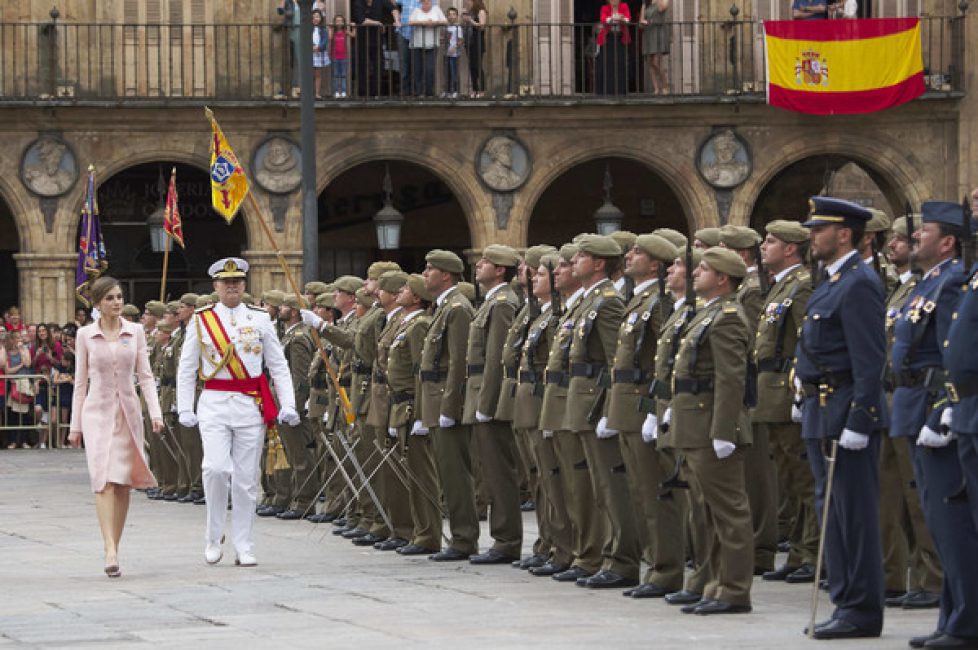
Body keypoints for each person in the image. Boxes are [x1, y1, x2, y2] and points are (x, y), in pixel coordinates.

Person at [795, 196, 886, 639]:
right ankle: (845, 599)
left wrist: (861, 419)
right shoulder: (831, 281)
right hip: (821, 409)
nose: (812, 236)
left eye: (819, 229)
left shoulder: (859, 283)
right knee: (831, 512)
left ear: (844, 234)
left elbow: (870, 360)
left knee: (853, 514)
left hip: (845, 409)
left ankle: (862, 608)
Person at [177, 258, 299, 567]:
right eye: (225, 281)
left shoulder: (259, 319)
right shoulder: (202, 319)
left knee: (246, 480)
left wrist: (288, 403)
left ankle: (244, 544)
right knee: (215, 469)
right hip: (214, 402)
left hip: (249, 405)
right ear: (215, 286)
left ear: (244, 284)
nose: (232, 286)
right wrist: (184, 407)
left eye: (238, 281)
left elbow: (278, 364)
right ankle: (213, 536)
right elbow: (187, 367)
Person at [894, 201, 978, 650]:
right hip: (915, 404)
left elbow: (950, 355)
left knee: (951, 521)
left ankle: (965, 621)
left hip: (937, 407)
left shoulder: (951, 283)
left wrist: (941, 409)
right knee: (939, 521)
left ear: (947, 241)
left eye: (923, 232)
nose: (914, 239)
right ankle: (953, 616)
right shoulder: (928, 282)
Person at [67, 276, 163, 578]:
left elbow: (145, 376)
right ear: (98, 303)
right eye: (110, 298)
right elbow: (80, 382)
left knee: (122, 483)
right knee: (103, 478)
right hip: (96, 412)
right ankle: (108, 547)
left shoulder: (134, 332)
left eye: (119, 297)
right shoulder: (85, 335)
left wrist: (156, 413)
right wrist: (75, 425)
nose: (117, 302)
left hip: (128, 411)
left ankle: (115, 547)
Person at [606, 234, 685, 599]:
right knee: (639, 491)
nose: (629, 256)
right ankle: (649, 564)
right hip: (626, 404)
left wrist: (659, 410)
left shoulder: (659, 302)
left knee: (656, 493)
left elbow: (663, 363)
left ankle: (665, 570)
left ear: (656, 264)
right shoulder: (639, 299)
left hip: (643, 404)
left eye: (638, 253)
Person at [754, 220, 819, 586]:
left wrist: (801, 390)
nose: (765, 246)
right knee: (789, 480)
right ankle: (797, 550)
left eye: (772, 241)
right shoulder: (782, 285)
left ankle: (811, 551)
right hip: (770, 391)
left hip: (787, 388)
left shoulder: (803, 285)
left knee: (803, 478)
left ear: (791, 249)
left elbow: (806, 341)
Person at [464, 245, 523, 564]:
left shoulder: (502, 304)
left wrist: (486, 403)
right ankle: (503, 538)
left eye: (486, 262)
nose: (479, 264)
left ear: (501, 270)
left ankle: (507, 539)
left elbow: (496, 358)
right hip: (480, 393)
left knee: (499, 471)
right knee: (490, 468)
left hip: (490, 397)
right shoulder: (491, 302)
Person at [419, 249, 478, 561]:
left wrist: (450, 406)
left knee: (456, 474)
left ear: (446, 275)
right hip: (434, 399)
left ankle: (464, 539)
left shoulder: (457, 308)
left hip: (445, 400)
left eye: (430, 269)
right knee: (447, 473)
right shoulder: (443, 308)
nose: (425, 274)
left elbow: (459, 362)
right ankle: (460, 536)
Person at [408, 0, 447, 97]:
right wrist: (423, 22)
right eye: (424, 3)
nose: (426, 4)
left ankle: (429, 92)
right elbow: (410, 22)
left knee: (429, 69)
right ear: (421, 3)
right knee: (417, 70)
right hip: (417, 44)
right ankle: (419, 92)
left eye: (428, 2)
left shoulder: (436, 9)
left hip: (432, 44)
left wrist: (434, 23)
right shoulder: (416, 10)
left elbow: (445, 21)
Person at [2, 329, 33, 449]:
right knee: (13, 414)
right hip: (13, 384)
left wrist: (21, 350)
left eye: (19, 338)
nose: (18, 340)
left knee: (24, 413)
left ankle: (24, 440)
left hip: (24, 383)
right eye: (16, 338)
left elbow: (28, 363)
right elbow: (8, 371)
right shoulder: (8, 353)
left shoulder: (25, 350)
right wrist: (20, 366)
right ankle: (13, 440)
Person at [595, 0, 631, 96]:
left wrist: (620, 19)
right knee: (608, 64)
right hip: (608, 38)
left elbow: (627, 19)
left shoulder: (624, 6)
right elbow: (603, 19)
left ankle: (620, 91)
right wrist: (616, 18)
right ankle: (608, 91)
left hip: (620, 38)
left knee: (620, 63)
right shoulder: (605, 8)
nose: (614, 1)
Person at [639, 0, 670, 94]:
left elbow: (662, 8)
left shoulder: (663, 1)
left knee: (657, 62)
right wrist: (644, 5)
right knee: (650, 63)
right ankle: (656, 88)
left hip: (658, 34)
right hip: (648, 34)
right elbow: (641, 22)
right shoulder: (647, 4)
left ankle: (665, 85)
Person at [461, 0, 487, 97]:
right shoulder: (471, 12)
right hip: (470, 42)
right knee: (472, 67)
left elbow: (482, 26)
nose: (467, 2)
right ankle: (474, 89)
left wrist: (470, 20)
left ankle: (482, 90)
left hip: (478, 42)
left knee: (478, 66)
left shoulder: (481, 11)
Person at [330, 15, 352, 98]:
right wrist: (331, 28)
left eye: (341, 21)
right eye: (337, 21)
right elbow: (329, 37)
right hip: (335, 56)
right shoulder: (334, 32)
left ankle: (343, 91)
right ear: (335, 22)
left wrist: (354, 27)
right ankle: (336, 91)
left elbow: (353, 35)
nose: (339, 22)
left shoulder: (345, 31)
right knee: (335, 75)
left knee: (343, 75)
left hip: (344, 57)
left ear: (343, 23)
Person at [312, 9, 331, 99]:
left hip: (319, 53)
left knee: (318, 75)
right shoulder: (308, 29)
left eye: (318, 16)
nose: (316, 18)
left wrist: (319, 47)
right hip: (310, 53)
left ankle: (317, 93)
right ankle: (308, 93)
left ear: (321, 18)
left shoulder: (323, 29)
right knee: (308, 74)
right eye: (314, 16)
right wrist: (311, 46)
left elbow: (325, 40)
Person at [443, 8, 463, 98]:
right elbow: (445, 38)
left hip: (454, 54)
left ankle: (455, 90)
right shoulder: (446, 27)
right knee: (447, 73)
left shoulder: (458, 27)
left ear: (457, 16)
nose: (451, 16)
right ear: (447, 16)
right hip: (446, 53)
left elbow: (461, 40)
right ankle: (447, 91)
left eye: (454, 14)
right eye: (449, 14)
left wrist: (455, 47)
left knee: (454, 72)